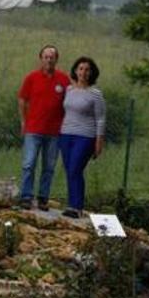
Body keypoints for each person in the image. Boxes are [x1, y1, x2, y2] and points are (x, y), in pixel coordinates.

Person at [17, 45, 70, 209]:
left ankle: (43, 198)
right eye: (46, 57)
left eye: (52, 57)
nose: (49, 60)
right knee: (29, 163)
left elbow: (69, 102)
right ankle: (26, 195)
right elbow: (22, 100)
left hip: (54, 131)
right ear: (41, 59)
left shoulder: (64, 79)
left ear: (56, 59)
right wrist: (24, 121)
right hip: (33, 129)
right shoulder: (32, 78)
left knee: (49, 167)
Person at [58, 56, 105, 218]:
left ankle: (77, 207)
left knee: (76, 168)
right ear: (76, 71)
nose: (83, 72)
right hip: (66, 134)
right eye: (81, 69)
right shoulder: (69, 90)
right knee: (69, 169)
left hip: (85, 136)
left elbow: (100, 118)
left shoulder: (95, 94)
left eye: (87, 70)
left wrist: (99, 140)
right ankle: (71, 204)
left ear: (91, 73)